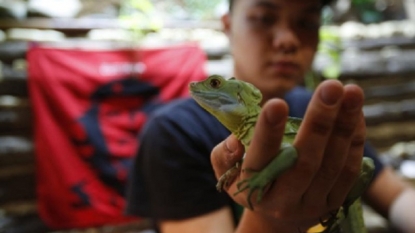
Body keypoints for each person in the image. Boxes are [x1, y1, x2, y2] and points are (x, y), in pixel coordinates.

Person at [125, 0, 415, 232]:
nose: (287, 40)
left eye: (307, 22)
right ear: (227, 25)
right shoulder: (174, 134)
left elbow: (398, 196)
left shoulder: (318, 113)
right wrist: (272, 223)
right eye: (264, 17)